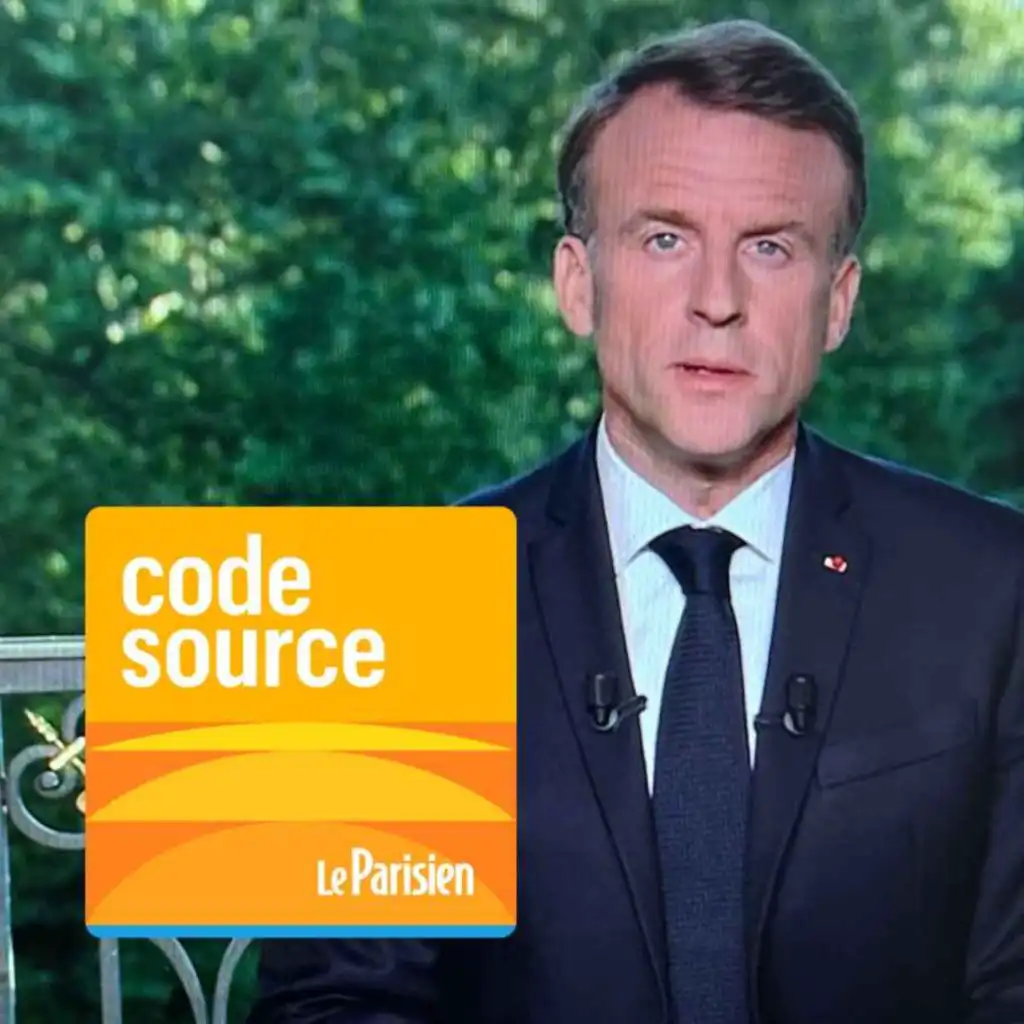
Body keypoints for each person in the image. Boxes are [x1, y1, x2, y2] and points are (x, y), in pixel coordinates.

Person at [246, 18, 1024, 1024]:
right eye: (664, 239)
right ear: (578, 284)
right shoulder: (394, 608)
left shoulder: (990, 588)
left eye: (770, 247)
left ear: (836, 303)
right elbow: (335, 1001)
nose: (717, 300)